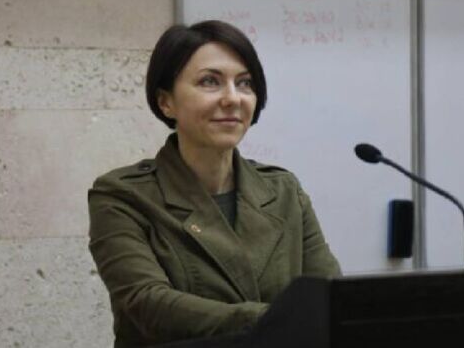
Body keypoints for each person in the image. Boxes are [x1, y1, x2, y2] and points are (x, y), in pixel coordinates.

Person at [88, 20, 341, 348]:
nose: (233, 98)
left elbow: (330, 296)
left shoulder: (283, 191)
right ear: (166, 102)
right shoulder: (123, 195)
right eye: (210, 81)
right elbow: (147, 304)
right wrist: (279, 319)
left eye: (245, 83)